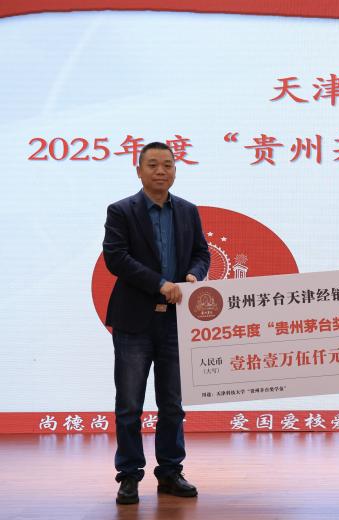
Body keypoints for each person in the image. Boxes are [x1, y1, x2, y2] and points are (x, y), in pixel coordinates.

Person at [103, 142, 210, 505]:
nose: (160, 171)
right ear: (139, 171)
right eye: (152, 165)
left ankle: (170, 472)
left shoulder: (188, 211)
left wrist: (194, 275)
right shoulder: (121, 211)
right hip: (134, 321)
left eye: (167, 164)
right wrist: (159, 284)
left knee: (172, 404)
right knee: (129, 404)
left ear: (175, 170)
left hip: (176, 322)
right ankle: (129, 475)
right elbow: (116, 258)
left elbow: (202, 252)